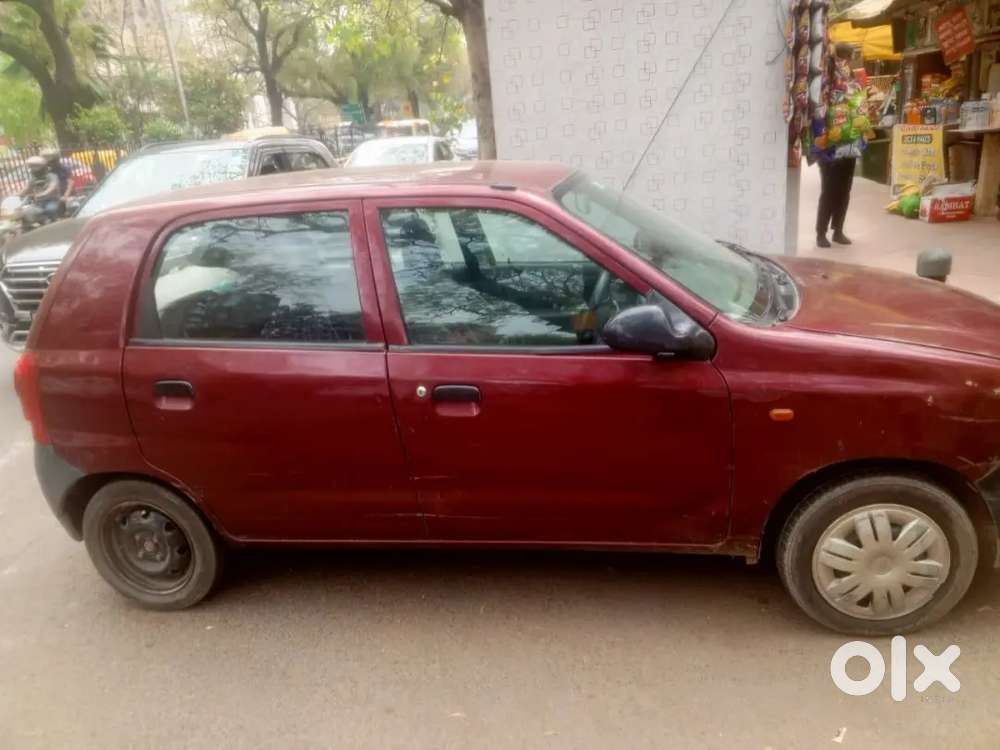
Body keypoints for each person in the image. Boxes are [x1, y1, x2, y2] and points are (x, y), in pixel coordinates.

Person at [816, 43, 861, 248]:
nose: (848, 62)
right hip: (831, 141)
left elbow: (858, 104)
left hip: (849, 139)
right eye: (849, 56)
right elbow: (820, 108)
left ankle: (838, 230)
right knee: (831, 188)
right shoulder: (827, 76)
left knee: (844, 188)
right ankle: (821, 232)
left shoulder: (851, 78)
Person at [18, 156, 62, 225]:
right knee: (27, 212)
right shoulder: (33, 179)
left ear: (43, 167)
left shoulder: (52, 176)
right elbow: (27, 188)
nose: (32, 169)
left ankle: (55, 222)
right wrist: (17, 195)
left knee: (50, 210)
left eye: (35, 166)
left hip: (52, 200)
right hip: (38, 202)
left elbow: (52, 187)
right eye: (31, 167)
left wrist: (44, 193)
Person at [41, 148, 73, 213]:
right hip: (54, 198)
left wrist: (66, 195)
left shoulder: (65, 169)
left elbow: (70, 182)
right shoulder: (47, 172)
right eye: (48, 162)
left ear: (57, 160)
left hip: (66, 197)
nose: (50, 164)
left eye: (52, 162)